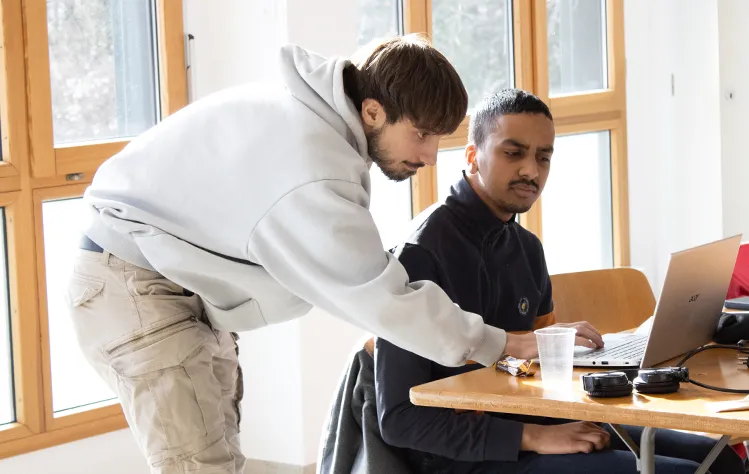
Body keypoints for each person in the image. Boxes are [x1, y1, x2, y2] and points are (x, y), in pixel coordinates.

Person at [65, 35, 558, 474]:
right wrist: (501, 342)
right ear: (372, 111)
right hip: (135, 283)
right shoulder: (311, 162)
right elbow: (379, 295)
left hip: (173, 280)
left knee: (217, 459)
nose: (431, 155)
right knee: (198, 465)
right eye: (422, 134)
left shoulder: (314, 120)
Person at [375, 88, 745, 474]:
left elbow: (536, 374)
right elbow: (400, 419)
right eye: (513, 152)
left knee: (721, 462)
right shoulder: (418, 254)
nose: (531, 171)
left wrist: (602, 358)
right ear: (472, 156)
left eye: (543, 157)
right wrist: (534, 437)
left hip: (538, 421)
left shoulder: (526, 248)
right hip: (466, 456)